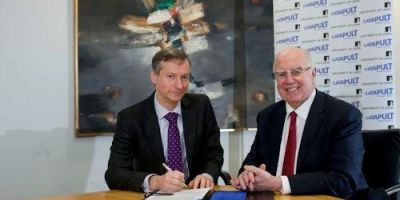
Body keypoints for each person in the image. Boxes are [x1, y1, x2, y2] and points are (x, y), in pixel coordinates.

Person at [231, 47, 367, 198]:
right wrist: (247, 175)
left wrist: (279, 183)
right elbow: (252, 162)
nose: (289, 80)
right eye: (281, 74)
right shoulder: (268, 116)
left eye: (296, 72)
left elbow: (343, 181)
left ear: (313, 74)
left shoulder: (342, 115)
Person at [105, 48, 224, 193]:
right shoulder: (131, 118)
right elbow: (114, 174)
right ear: (154, 77)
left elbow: (214, 153)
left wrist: (207, 175)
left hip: (195, 193)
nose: (180, 85)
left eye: (185, 77)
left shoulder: (201, 106)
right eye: (171, 76)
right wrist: (155, 181)